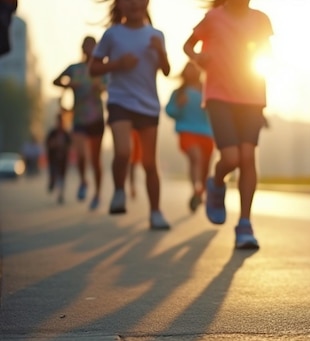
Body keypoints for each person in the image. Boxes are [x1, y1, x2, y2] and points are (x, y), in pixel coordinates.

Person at [183, 0, 272, 249]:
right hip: (219, 96)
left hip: (252, 96)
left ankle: (245, 224)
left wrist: (259, 55)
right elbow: (187, 46)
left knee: (247, 157)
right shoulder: (213, 18)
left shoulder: (261, 19)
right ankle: (216, 183)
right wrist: (199, 57)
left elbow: (266, 52)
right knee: (231, 159)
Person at [89, 0, 171, 230]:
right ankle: (118, 191)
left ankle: (156, 212)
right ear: (120, 5)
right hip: (120, 101)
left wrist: (160, 52)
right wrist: (117, 64)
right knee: (123, 151)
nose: (135, 3)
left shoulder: (156, 35)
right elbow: (93, 68)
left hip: (148, 105)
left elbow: (166, 70)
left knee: (149, 163)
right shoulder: (112, 34)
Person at [53, 36, 107, 210]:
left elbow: (110, 85)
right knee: (81, 155)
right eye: (87, 46)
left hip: (97, 118)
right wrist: (69, 84)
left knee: (95, 159)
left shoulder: (101, 69)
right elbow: (55, 81)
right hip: (79, 118)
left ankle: (98, 194)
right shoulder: (75, 69)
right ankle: (84, 181)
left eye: (93, 46)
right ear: (82, 48)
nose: (90, 49)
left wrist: (101, 87)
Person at [165, 61, 215, 213]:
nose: (191, 71)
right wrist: (178, 106)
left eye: (194, 68)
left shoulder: (208, 90)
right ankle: (195, 189)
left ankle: (201, 191)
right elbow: (169, 111)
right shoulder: (179, 92)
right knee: (196, 158)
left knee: (205, 167)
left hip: (207, 133)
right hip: (186, 131)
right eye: (188, 68)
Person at [45, 110, 72, 204]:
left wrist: (63, 147)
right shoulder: (52, 133)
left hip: (63, 160)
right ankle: (52, 182)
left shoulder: (66, 134)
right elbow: (47, 144)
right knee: (53, 174)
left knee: (62, 178)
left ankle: (60, 195)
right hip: (53, 159)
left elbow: (70, 145)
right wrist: (54, 144)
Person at [128, 129, 141, 199]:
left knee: (134, 163)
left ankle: (132, 186)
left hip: (141, 130)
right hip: (132, 131)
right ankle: (132, 186)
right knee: (132, 163)